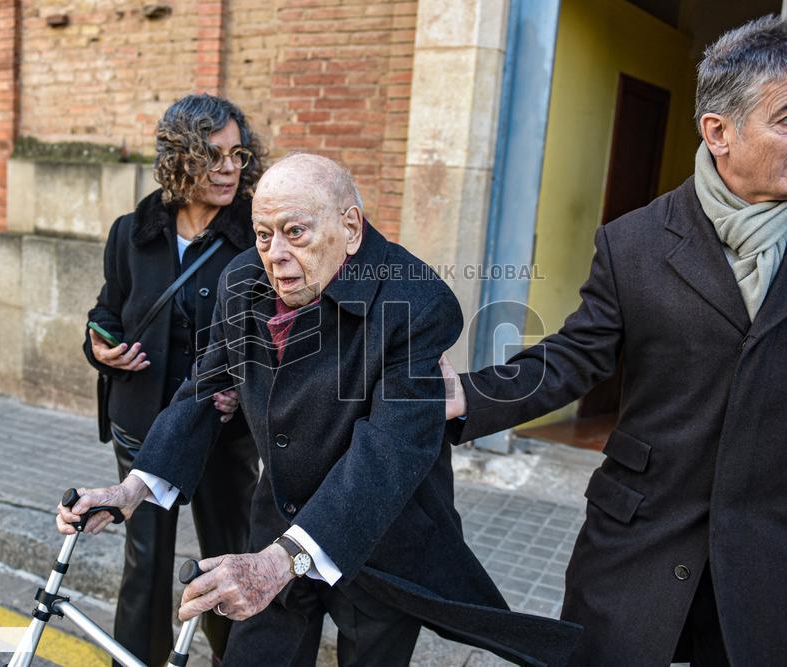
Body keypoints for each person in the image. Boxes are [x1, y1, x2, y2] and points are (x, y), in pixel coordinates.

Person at [441, 15, 787, 666]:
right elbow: (575, 355)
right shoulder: (635, 241)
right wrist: (465, 398)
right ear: (719, 132)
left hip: (778, 561)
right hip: (640, 539)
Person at [62, 153, 582, 666]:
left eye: (295, 232)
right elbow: (205, 387)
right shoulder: (243, 280)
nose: (274, 255)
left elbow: (388, 453)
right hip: (277, 521)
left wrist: (281, 561)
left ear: (350, 228)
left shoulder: (417, 300)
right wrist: (134, 488)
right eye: (263, 235)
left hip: (378, 539)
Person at [82, 93, 262, 666]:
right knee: (147, 565)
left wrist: (249, 384)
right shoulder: (131, 231)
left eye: (237, 155)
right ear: (179, 158)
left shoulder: (260, 236)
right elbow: (109, 309)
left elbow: (282, 335)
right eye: (213, 156)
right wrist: (99, 345)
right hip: (141, 424)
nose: (230, 168)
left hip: (222, 435)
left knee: (227, 565)